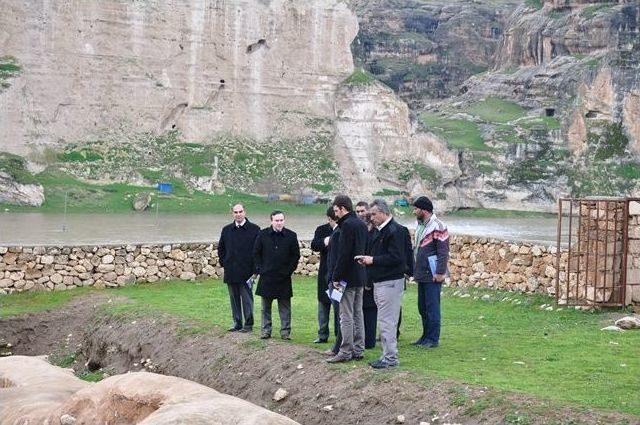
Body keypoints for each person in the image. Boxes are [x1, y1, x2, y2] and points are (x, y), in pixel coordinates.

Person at [356, 199, 406, 369]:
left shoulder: (395, 231)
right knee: (384, 320)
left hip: (390, 282)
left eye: (373, 214)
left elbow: (397, 258)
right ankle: (386, 355)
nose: (371, 218)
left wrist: (373, 260)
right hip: (381, 281)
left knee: (387, 321)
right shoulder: (381, 231)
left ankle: (391, 358)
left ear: (383, 212)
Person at [326, 195, 368, 363]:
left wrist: (336, 277)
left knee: (346, 315)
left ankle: (345, 351)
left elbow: (344, 254)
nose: (335, 214)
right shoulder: (361, 224)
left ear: (343, 208)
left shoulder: (347, 225)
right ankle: (359, 349)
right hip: (359, 275)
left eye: (336, 210)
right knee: (358, 313)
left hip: (347, 278)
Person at [253, 211, 301, 340]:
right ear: (271, 221)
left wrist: (288, 271)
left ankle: (285, 332)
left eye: (281, 220)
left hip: (283, 277)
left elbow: (295, 256)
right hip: (267, 276)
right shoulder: (262, 235)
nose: (279, 223)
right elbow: (256, 253)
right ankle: (265, 331)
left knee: (285, 307)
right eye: (276, 220)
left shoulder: (291, 236)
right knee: (265, 307)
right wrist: (261, 269)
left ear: (284, 221)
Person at [412, 196, 449, 348]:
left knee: (432, 307)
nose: (414, 211)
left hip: (433, 274)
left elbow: (443, 251)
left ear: (424, 210)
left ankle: (433, 339)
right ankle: (425, 336)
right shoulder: (420, 225)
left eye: (416, 208)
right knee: (423, 307)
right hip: (421, 273)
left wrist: (440, 273)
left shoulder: (438, 226)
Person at [218, 203, 260, 332]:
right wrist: (224, 263)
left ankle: (248, 324)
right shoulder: (226, 229)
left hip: (247, 272)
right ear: (232, 213)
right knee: (234, 299)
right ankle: (237, 323)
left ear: (245, 212)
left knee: (247, 299)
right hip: (231, 270)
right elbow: (221, 249)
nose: (238, 214)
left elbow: (258, 251)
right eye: (235, 212)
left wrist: (255, 271)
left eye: (240, 211)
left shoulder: (255, 229)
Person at [310, 207, 340, 344]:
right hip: (325, 273)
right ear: (328, 219)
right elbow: (314, 245)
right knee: (323, 303)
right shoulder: (321, 230)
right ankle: (322, 334)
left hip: (339, 274)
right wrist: (325, 241)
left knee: (338, 305)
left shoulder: (344, 230)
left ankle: (339, 335)